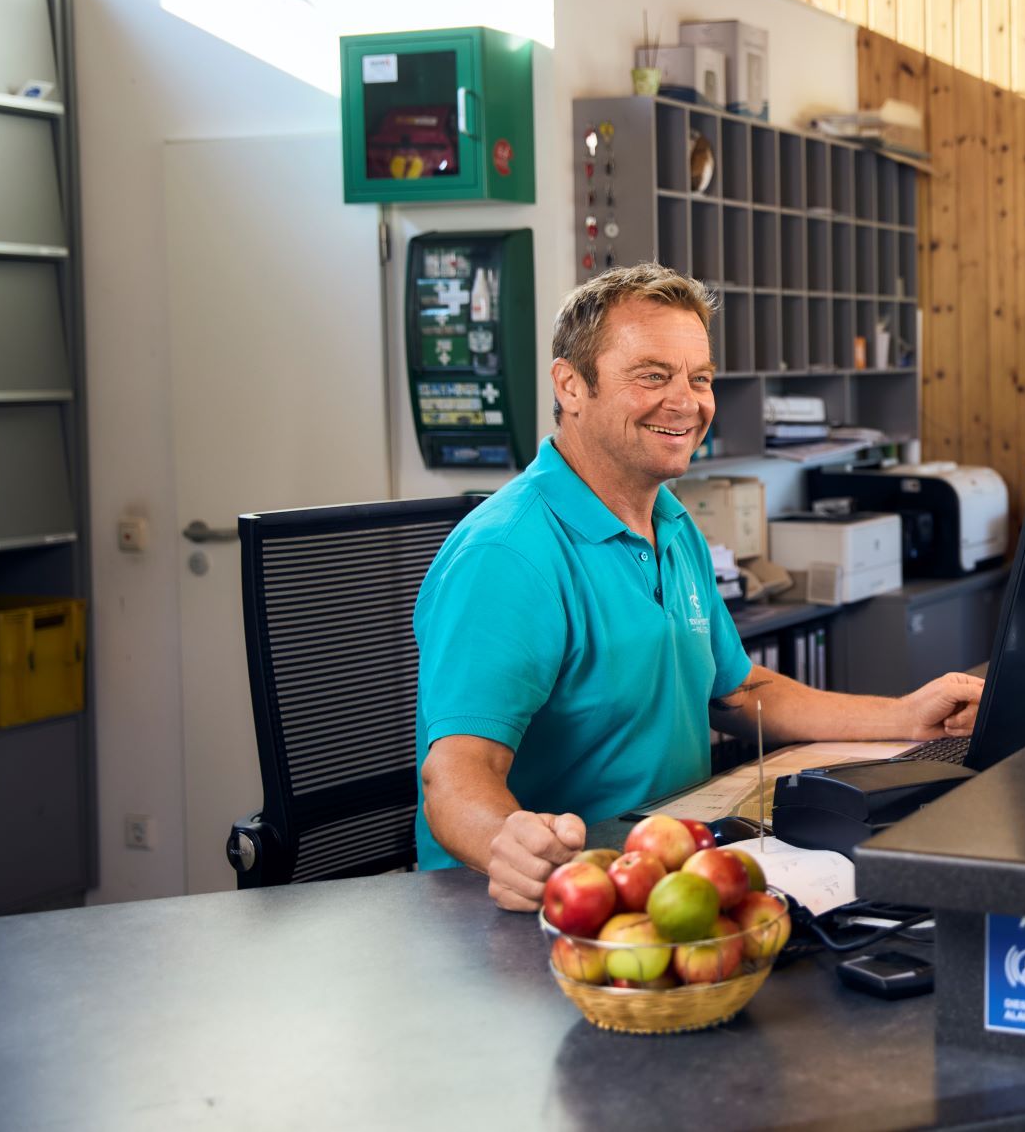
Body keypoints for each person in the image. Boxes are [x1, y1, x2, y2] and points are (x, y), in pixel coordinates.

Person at [416, 264, 982, 910]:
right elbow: (456, 774)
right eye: (653, 375)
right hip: (543, 903)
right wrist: (506, 843)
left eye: (700, 378)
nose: (686, 402)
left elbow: (738, 690)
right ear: (571, 386)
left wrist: (906, 715)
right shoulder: (507, 554)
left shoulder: (672, 522)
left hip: (667, 872)